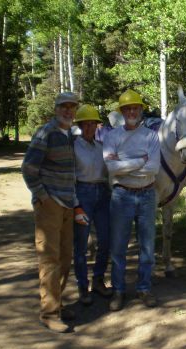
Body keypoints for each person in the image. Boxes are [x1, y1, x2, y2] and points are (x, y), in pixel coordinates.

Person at [22, 92, 79, 333]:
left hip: (67, 203)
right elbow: (28, 168)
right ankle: (49, 313)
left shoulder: (69, 135)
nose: (67, 111)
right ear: (56, 109)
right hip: (50, 204)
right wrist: (42, 196)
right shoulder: (47, 132)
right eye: (63, 107)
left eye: (71, 107)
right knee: (49, 260)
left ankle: (58, 303)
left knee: (65, 258)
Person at [103, 89, 160, 311]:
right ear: (122, 111)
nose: (132, 111)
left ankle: (144, 288)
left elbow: (153, 168)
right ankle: (118, 290)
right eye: (127, 108)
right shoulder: (112, 136)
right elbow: (111, 167)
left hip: (147, 194)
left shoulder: (151, 136)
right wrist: (140, 161)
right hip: (121, 196)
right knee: (118, 247)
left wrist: (124, 164)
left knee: (147, 246)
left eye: (135, 107)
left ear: (141, 110)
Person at [72, 104, 113, 306]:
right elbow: (69, 178)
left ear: (97, 126)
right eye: (85, 124)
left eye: (92, 124)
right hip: (83, 194)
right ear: (79, 126)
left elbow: (109, 172)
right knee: (81, 244)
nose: (89, 128)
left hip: (102, 194)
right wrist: (75, 204)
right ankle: (82, 285)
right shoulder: (73, 147)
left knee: (105, 240)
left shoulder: (101, 147)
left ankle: (98, 279)